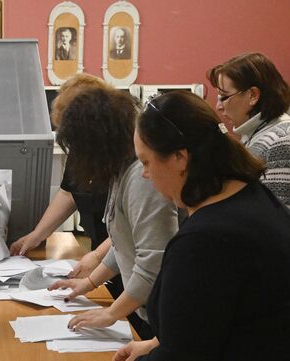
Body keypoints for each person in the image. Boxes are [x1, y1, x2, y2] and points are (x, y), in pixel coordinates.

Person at [114, 91, 290, 361]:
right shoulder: (251, 194)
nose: (145, 174)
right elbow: (213, 319)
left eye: (147, 162)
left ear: (180, 158)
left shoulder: (205, 241)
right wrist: (155, 344)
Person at [47, 83, 180, 340]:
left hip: (163, 313)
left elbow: (152, 261)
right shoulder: (121, 169)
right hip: (147, 307)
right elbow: (123, 242)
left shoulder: (141, 178)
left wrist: (111, 314)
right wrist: (88, 284)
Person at [10, 74, 109, 253]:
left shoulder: (120, 158)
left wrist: (95, 265)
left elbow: (124, 235)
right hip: (100, 249)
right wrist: (37, 235)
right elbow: (69, 193)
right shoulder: (82, 147)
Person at [207, 52, 290, 206]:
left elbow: (279, 219)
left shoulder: (280, 140)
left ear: (253, 95)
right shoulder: (256, 135)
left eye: (223, 97)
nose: (218, 107)